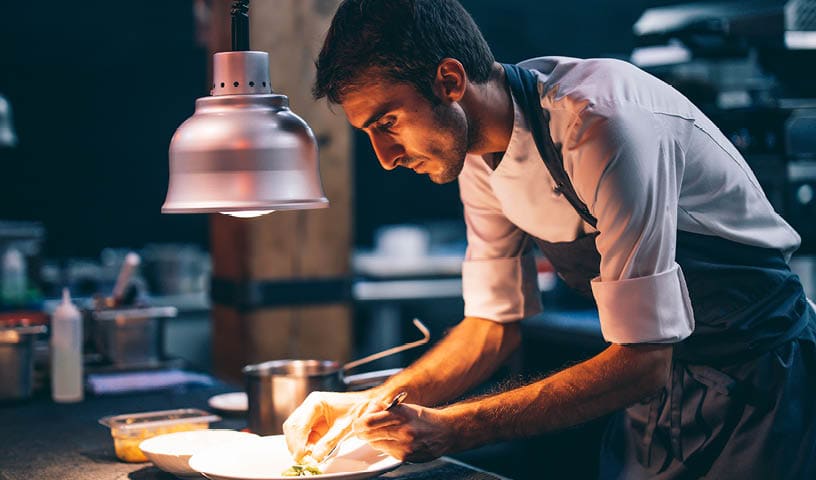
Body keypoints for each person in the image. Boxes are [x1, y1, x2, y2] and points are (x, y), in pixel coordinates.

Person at [283, 0, 816, 478]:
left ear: (449, 81)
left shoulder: (601, 123)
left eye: (389, 122)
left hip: (759, 386)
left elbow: (643, 359)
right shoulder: (474, 157)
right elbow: (493, 327)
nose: (386, 156)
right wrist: (366, 408)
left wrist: (455, 428)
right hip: (657, 397)